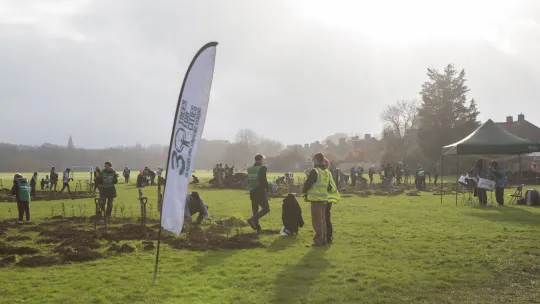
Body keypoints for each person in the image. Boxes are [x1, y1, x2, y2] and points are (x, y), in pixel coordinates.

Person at [303, 153, 333, 247]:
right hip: (324, 199)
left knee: (316, 221)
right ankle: (323, 239)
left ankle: (318, 240)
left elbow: (307, 184)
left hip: (316, 200)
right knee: (323, 220)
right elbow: (329, 186)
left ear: (316, 160)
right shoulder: (327, 172)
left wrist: (304, 191)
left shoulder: (315, 171)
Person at [247, 154, 270, 234]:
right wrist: (268, 190)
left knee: (255, 211)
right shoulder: (262, 169)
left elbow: (249, 180)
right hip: (260, 192)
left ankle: (258, 228)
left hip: (252, 192)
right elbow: (263, 180)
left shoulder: (249, 169)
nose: (263, 161)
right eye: (262, 159)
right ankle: (252, 220)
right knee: (266, 209)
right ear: (260, 160)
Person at [323, 158, 340, 245]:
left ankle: (327, 237)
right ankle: (328, 237)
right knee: (327, 219)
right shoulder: (329, 173)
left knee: (324, 219)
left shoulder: (325, 174)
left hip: (325, 199)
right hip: (329, 199)